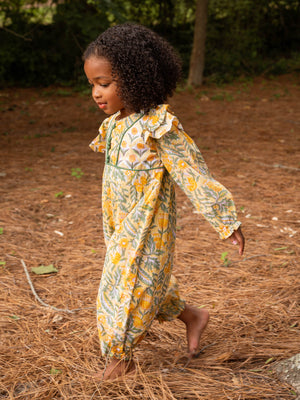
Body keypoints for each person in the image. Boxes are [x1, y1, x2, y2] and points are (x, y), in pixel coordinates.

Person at [83, 23, 245, 380]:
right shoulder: (114, 126)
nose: (96, 92)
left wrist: (224, 220)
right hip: (119, 224)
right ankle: (193, 315)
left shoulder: (157, 126)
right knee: (143, 283)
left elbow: (192, 172)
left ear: (136, 77)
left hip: (148, 226)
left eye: (104, 83)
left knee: (124, 289)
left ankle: (120, 359)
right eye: (92, 84)